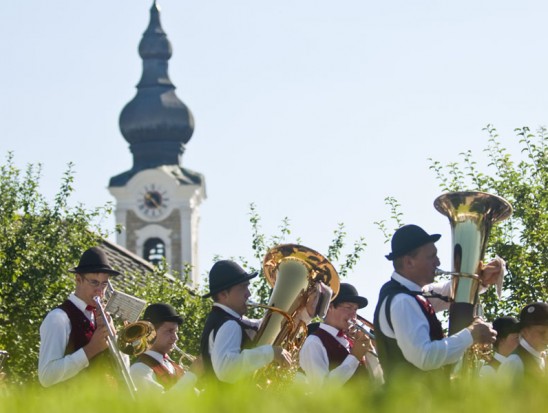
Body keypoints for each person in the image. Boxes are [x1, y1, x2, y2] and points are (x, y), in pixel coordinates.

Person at [373, 224, 499, 382]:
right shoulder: (403, 301)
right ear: (409, 262)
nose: (438, 262)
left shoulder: (410, 294)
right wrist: (471, 334)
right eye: (431, 256)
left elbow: (448, 291)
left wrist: (480, 280)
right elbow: (425, 357)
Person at [199, 260, 293, 384]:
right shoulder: (230, 325)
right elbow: (227, 370)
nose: (248, 294)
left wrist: (301, 313)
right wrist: (270, 352)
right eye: (243, 287)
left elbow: (262, 326)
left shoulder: (223, 319)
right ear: (223, 294)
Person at [38, 246, 120, 387]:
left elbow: (121, 371)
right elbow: (46, 376)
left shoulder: (101, 317)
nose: (100, 290)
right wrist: (91, 349)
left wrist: (114, 338)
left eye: (104, 284)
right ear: (78, 279)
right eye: (94, 282)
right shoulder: (58, 318)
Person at [298, 283, 383, 387]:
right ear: (329, 307)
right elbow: (321, 389)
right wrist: (355, 357)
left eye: (355, 309)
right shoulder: (314, 342)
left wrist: (369, 350)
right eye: (348, 307)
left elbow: (379, 382)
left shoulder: (351, 341)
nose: (353, 315)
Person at [129, 303, 199, 393]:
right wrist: (192, 374)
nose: (176, 337)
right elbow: (163, 403)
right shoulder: (139, 369)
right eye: (170, 331)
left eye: (176, 332)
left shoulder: (173, 365)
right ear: (150, 333)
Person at [498, 302, 548, 380]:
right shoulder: (514, 362)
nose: (546, 337)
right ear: (525, 332)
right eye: (542, 333)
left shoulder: (542, 359)